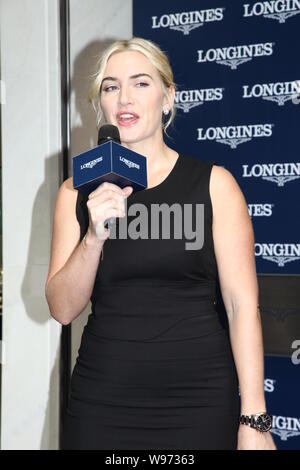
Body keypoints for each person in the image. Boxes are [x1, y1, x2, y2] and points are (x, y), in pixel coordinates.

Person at [45, 37, 277, 450]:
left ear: (169, 98)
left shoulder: (214, 185)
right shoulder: (74, 191)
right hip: (103, 400)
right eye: (111, 87)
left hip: (199, 401)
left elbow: (242, 306)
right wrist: (94, 237)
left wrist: (254, 420)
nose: (125, 97)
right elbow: (62, 309)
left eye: (141, 83)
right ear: (101, 103)